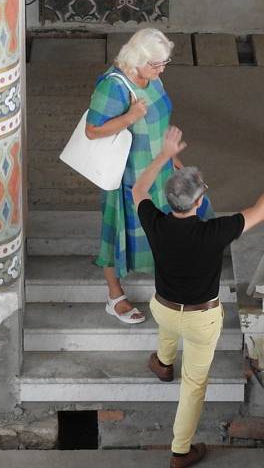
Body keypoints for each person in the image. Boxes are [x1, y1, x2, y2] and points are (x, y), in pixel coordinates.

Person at [133, 126, 264, 468]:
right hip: (200, 319)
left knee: (167, 325)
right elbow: (261, 209)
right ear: (199, 201)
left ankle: (164, 364)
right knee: (193, 386)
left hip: (163, 306)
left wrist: (164, 156)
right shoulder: (214, 232)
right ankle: (180, 451)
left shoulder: (154, 221)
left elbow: (138, 188)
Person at [85, 28, 213, 324]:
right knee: (118, 232)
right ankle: (115, 296)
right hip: (128, 176)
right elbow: (92, 131)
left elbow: (158, 124)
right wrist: (129, 117)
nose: (162, 69)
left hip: (160, 169)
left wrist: (175, 160)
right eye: (156, 64)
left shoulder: (153, 77)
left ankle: (166, 287)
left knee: (165, 231)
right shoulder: (113, 87)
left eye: (165, 62)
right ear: (137, 59)